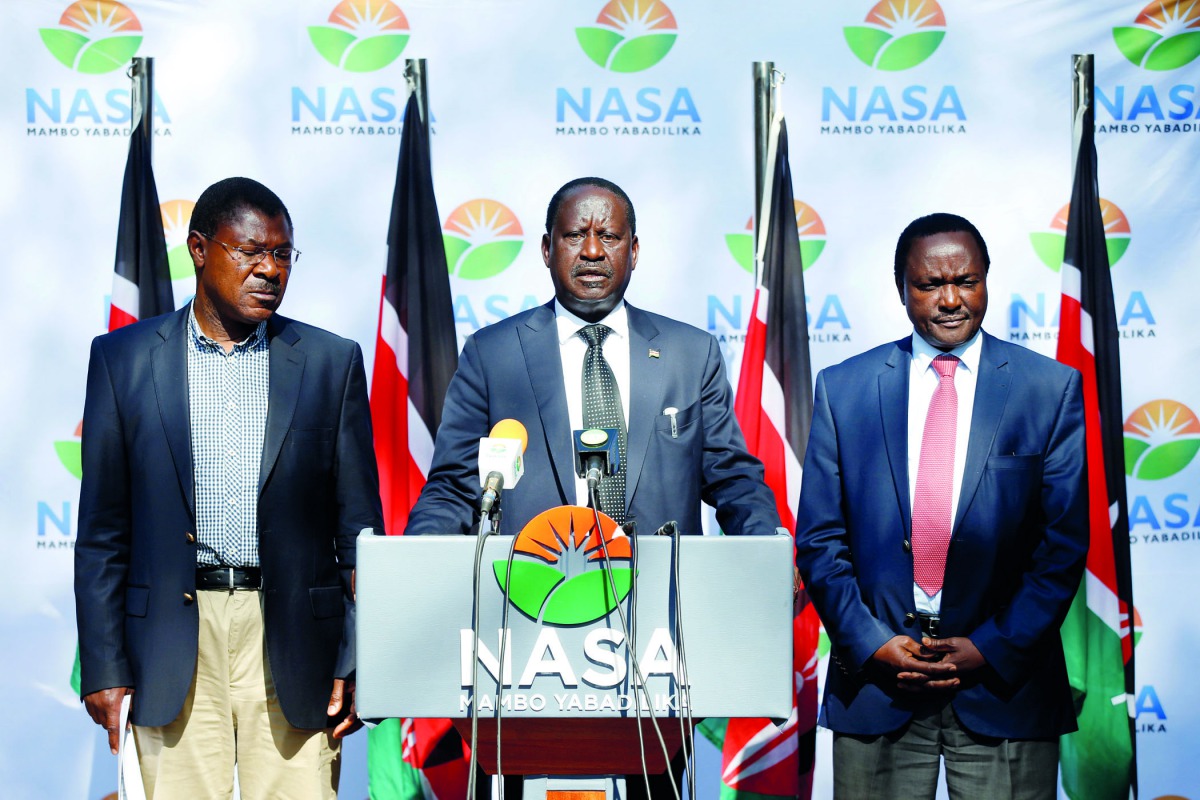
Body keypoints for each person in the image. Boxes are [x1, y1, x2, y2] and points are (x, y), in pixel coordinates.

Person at [407, 176, 781, 797]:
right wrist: (417, 565)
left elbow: (734, 477)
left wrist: (767, 549)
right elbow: (453, 486)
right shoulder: (493, 354)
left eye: (608, 236)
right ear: (547, 248)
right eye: (575, 235)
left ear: (635, 249)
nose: (591, 251)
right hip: (525, 633)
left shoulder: (691, 353)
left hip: (654, 639)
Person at [75, 177, 383, 799]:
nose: (268, 269)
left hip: (294, 641)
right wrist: (104, 666)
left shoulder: (330, 362)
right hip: (170, 641)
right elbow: (102, 535)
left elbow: (359, 538)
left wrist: (360, 659)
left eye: (282, 254)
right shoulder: (124, 360)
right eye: (249, 251)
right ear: (198, 249)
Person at [794, 213, 1089, 799]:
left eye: (967, 281)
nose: (951, 299)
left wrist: (988, 648)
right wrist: (872, 644)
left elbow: (1062, 546)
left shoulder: (1047, 389)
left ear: (986, 281)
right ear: (902, 288)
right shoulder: (844, 388)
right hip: (878, 687)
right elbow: (820, 542)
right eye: (930, 285)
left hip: (1005, 688)